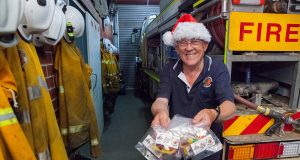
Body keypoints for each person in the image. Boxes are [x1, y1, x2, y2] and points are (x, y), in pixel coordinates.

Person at [151, 13, 236, 160]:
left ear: (205, 45)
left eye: (194, 41)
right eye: (183, 42)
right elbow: (161, 101)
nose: (189, 48)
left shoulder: (216, 68)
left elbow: (229, 106)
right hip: (176, 144)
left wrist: (212, 113)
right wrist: (160, 112)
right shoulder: (170, 69)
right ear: (176, 48)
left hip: (206, 146)